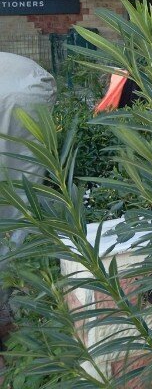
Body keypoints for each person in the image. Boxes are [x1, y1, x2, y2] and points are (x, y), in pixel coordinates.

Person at [0, 53, 57, 342]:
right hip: (27, 97)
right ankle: (14, 300)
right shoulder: (25, 71)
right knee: (23, 198)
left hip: (22, 96)